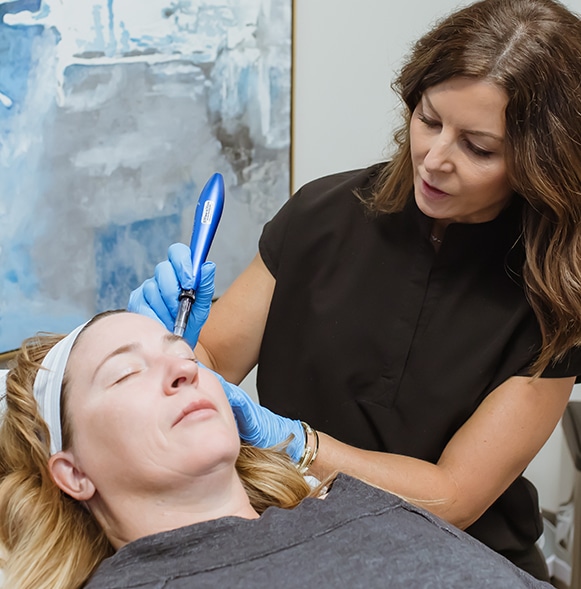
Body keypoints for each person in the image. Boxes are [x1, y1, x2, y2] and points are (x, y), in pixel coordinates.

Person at [128, 0, 581, 580]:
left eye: (479, 147)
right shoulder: (320, 215)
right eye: (429, 119)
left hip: (460, 563)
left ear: (540, 162)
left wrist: (297, 445)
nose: (435, 159)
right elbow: (214, 358)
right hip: (290, 542)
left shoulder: (554, 297)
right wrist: (170, 345)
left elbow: (452, 498)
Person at [0, 311, 556, 589]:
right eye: (124, 374)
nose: (181, 371)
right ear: (72, 474)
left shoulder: (357, 506)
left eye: (183, 356)